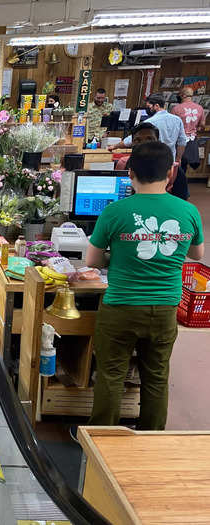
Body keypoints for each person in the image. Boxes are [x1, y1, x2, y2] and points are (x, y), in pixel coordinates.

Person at [81, 141, 204, 436]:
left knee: (111, 375)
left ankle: (103, 441)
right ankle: (151, 439)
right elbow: (196, 255)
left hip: (121, 306)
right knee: (157, 376)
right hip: (165, 308)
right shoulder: (188, 211)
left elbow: (92, 261)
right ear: (170, 173)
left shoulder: (116, 211)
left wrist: (119, 253)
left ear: (131, 173)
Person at [109, 94, 188, 199]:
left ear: (156, 106)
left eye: (148, 106)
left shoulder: (150, 122)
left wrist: (114, 147)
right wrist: (178, 159)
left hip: (148, 165)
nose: (147, 110)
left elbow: (130, 141)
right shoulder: (177, 120)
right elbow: (182, 142)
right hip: (170, 163)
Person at [172, 87, 204, 173]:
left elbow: (172, 125)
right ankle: (183, 181)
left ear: (183, 95)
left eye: (179, 95)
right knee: (186, 164)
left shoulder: (176, 108)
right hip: (192, 139)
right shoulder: (200, 108)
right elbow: (202, 125)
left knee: (177, 162)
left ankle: (176, 181)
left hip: (178, 140)